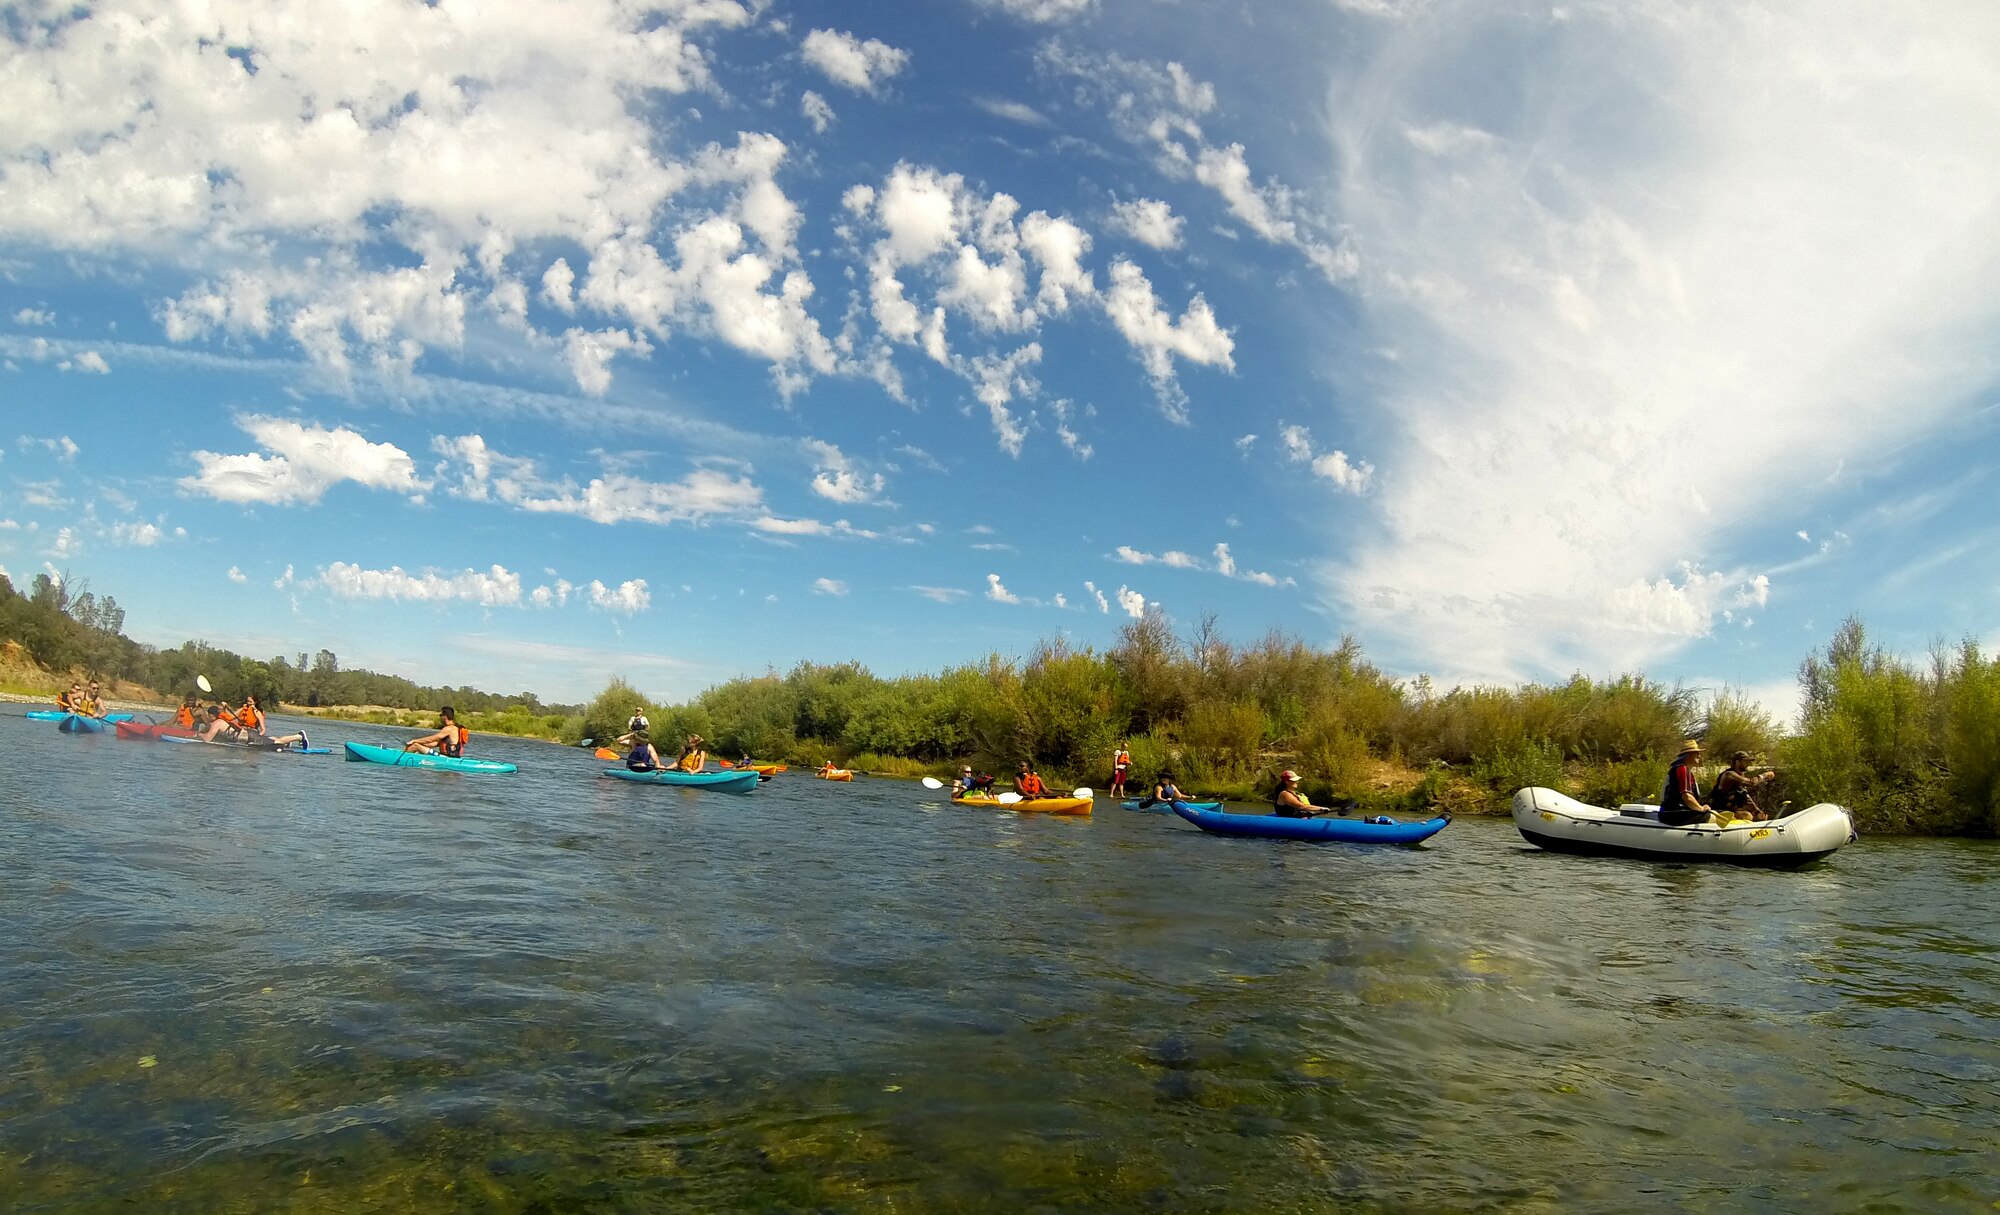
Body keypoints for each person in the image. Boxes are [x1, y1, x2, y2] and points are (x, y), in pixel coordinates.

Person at [1659, 739, 1716, 826]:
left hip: (1669, 813)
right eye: (1696, 753)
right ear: (1688, 755)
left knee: (1713, 812)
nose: (1699, 756)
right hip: (1674, 815)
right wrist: (1701, 808)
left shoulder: (1679, 768)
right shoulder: (1682, 769)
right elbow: (1687, 797)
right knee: (1713, 817)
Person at [1711, 751, 1780, 821]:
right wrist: (1765, 775)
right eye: (1745, 761)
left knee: (1754, 816)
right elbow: (1751, 782)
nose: (1748, 764)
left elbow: (1744, 795)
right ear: (1737, 762)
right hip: (1719, 812)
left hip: (1731, 811)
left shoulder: (1740, 775)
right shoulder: (1729, 775)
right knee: (1747, 816)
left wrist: (1757, 812)